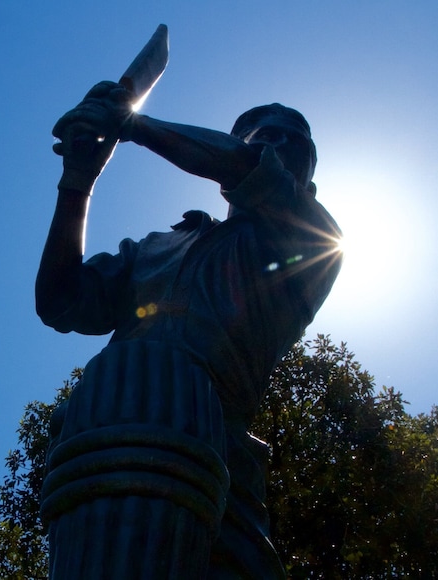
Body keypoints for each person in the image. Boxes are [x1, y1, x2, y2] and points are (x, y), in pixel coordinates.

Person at [36, 81, 342, 579]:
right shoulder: (157, 246)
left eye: (293, 141)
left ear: (307, 183)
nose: (273, 141)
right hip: (109, 434)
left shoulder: (313, 238)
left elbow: (244, 166)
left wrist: (132, 124)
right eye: (260, 134)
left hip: (214, 453)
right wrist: (78, 180)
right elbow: (59, 300)